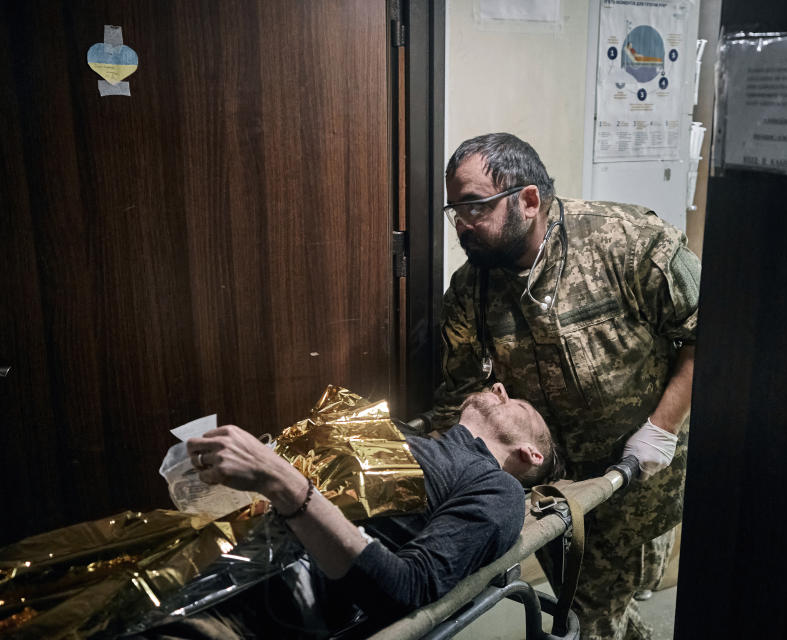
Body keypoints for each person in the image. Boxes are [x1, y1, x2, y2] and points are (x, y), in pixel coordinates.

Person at [431, 132, 700, 639]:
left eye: (475, 207)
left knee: (593, 616)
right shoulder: (472, 289)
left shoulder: (625, 242)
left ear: (528, 200)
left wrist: (661, 429)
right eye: (455, 211)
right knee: (587, 603)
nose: (462, 226)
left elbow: (707, 330)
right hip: (553, 490)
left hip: (637, 471)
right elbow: (460, 391)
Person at [131, 383, 558, 639]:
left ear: (531, 454)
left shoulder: (495, 487)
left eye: (518, 404)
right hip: (191, 567)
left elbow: (407, 588)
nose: (500, 388)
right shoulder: (404, 436)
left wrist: (284, 482)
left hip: (248, 613)